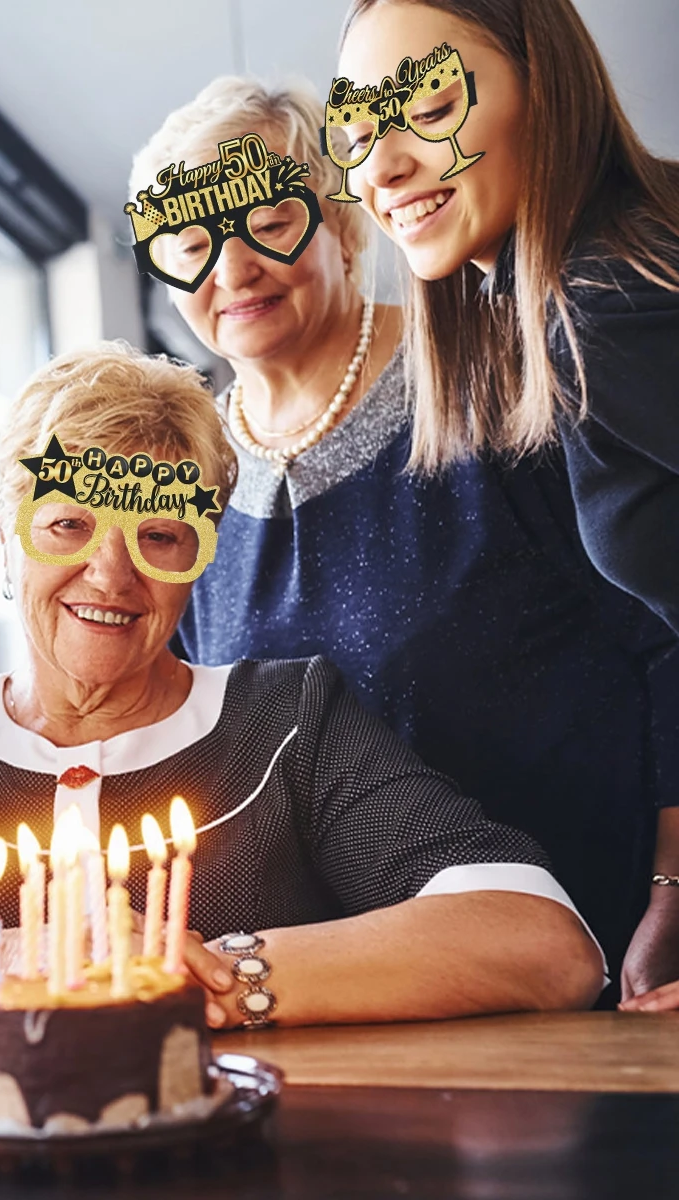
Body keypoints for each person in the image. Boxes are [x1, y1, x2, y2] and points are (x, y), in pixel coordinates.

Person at [0, 343, 603, 1040]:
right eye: (68, 525)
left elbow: (540, 937)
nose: (111, 577)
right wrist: (27, 958)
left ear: (202, 559)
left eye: (160, 536)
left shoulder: (289, 721)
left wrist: (217, 976)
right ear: (6, 529)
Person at [131, 77, 678, 999]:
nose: (232, 272)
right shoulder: (183, 485)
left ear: (344, 221)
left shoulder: (502, 376)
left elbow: (664, 634)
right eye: (190, 244)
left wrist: (675, 887)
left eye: (269, 225)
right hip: (320, 987)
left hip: (583, 955)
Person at [335, 0, 679, 1010]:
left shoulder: (608, 294)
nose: (382, 168)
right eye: (356, 133)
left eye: (430, 101)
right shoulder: (555, 297)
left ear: (546, 83)